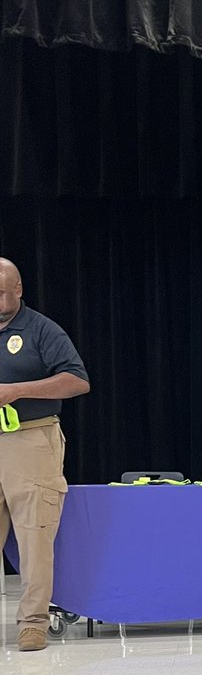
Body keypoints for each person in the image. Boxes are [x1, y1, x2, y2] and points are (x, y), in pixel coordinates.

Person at [0, 259, 90, 651]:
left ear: (18, 289)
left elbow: (77, 381)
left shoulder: (40, 329)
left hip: (30, 439)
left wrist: (17, 391)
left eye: (0, 292)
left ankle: (33, 622)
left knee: (34, 534)